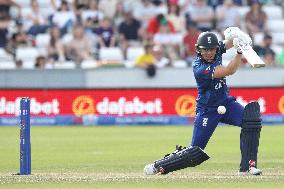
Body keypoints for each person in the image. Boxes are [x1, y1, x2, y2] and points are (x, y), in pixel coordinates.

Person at [144, 27, 263, 176]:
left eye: (212, 49)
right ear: (198, 49)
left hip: (226, 103)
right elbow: (229, 71)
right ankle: (159, 165)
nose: (209, 53)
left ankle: (248, 168)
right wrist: (239, 53)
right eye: (205, 50)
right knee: (195, 152)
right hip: (208, 110)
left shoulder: (216, 49)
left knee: (251, 119)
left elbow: (230, 42)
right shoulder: (200, 68)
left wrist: (240, 40)